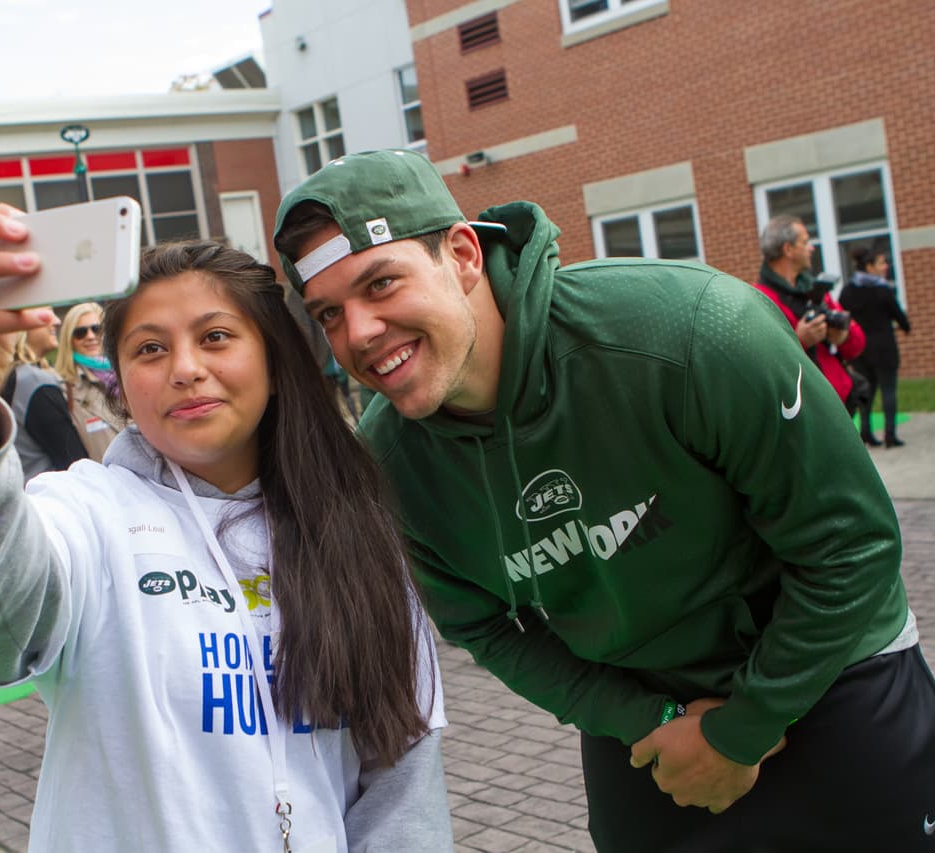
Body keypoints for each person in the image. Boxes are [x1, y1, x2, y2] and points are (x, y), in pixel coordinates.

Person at [272, 149, 933, 852]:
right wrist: (655, 719)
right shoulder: (386, 466)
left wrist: (742, 729)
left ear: (462, 254)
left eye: (382, 283)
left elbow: (850, 544)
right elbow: (485, 628)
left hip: (831, 674)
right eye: (330, 314)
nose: (359, 334)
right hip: (649, 726)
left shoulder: (691, 332)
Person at [0, 209, 452, 852]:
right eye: (149, 348)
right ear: (122, 383)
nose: (184, 368)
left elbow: (401, 785)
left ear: (274, 358)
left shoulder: (353, 528)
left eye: (215, 336)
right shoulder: (88, 513)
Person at [751, 215, 867, 407]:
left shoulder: (816, 291)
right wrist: (801, 342)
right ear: (788, 249)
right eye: (805, 242)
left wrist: (843, 336)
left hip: (839, 402)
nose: (811, 248)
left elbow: (857, 342)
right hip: (802, 408)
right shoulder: (760, 300)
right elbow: (761, 362)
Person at [839, 245, 912, 448]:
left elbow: (842, 315)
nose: (885, 266)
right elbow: (899, 315)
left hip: (860, 348)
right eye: (881, 262)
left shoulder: (848, 290)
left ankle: (866, 432)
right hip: (884, 347)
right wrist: (905, 327)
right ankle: (890, 434)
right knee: (888, 389)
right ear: (869, 266)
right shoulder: (882, 289)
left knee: (866, 391)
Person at [1, 314, 86, 485]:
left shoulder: (8, 377)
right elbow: (74, 462)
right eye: (45, 312)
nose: (56, 320)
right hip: (50, 498)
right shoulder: (33, 381)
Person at [54, 301, 123, 460]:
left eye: (96, 329)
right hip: (105, 479)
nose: (90, 336)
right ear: (69, 340)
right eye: (80, 333)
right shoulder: (64, 389)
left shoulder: (127, 374)